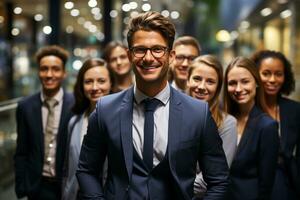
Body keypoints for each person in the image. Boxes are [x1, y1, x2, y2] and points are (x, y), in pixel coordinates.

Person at [76, 11, 229, 200]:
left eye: (157, 49)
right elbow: (86, 170)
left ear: (171, 56)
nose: (148, 58)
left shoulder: (197, 112)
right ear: (129, 55)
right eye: (140, 49)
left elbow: (219, 180)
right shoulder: (105, 109)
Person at [14, 45, 74, 200]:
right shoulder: (25, 107)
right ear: (38, 72)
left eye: (55, 69)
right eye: (44, 69)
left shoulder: (76, 104)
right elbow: (21, 151)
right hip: (36, 187)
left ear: (64, 73)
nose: (49, 74)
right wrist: (22, 188)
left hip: (66, 186)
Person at [223, 56, 279, 200]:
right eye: (232, 83)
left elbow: (266, 184)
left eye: (245, 82)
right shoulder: (221, 119)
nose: (238, 89)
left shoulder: (267, 126)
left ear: (257, 83)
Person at [251, 50, 300, 200]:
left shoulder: (295, 110)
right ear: (255, 75)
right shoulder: (248, 109)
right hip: (254, 185)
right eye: (266, 73)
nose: (272, 79)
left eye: (278, 74)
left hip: (289, 184)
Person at [187, 55, 237, 199]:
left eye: (210, 81)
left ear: (218, 87)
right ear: (188, 80)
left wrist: (172, 188)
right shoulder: (170, 113)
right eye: (197, 79)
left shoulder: (227, 123)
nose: (202, 87)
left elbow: (212, 178)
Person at [62, 58, 112, 200]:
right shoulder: (74, 122)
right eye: (88, 81)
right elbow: (67, 168)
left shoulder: (124, 120)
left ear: (111, 83)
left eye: (101, 81)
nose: (95, 87)